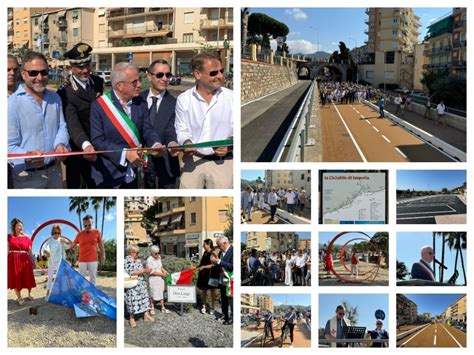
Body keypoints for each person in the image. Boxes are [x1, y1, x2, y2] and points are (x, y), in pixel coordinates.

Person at [90, 62, 165, 188]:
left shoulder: (140, 102)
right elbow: (98, 140)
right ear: (120, 86)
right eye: (134, 82)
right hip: (109, 173)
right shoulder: (99, 106)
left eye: (139, 80)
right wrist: (125, 154)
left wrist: (156, 144)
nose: (140, 85)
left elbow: (147, 129)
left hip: (136, 171)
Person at [8, 51, 70, 188]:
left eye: (44, 72)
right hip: (27, 177)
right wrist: (27, 156)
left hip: (55, 172)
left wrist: (60, 144)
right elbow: (9, 145)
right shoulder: (11, 104)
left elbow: (62, 127)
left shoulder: (55, 98)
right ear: (23, 74)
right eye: (33, 73)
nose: (40, 77)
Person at [175, 52, 233, 189]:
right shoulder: (183, 99)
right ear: (197, 74)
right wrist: (186, 142)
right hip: (192, 161)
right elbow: (181, 129)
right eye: (214, 73)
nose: (220, 76)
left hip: (223, 164)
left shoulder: (232, 98)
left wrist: (229, 145)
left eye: (221, 71)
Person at [57, 43, 104, 188]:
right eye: (79, 66)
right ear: (71, 67)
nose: (85, 70)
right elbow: (72, 123)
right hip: (78, 150)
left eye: (87, 65)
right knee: (77, 187)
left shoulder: (97, 82)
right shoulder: (65, 92)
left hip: (98, 147)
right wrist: (86, 144)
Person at [141, 59, 180, 188]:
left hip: (166, 162)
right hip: (140, 163)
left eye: (168, 75)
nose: (165, 79)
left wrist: (172, 143)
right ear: (149, 76)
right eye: (160, 75)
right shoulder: (137, 99)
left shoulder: (175, 103)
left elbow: (171, 129)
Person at [8, 218, 36, 306]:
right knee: (16, 277)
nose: (20, 227)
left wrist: (33, 260)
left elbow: (30, 250)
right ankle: (19, 297)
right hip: (13, 259)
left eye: (21, 226)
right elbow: (7, 249)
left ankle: (29, 293)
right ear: (14, 227)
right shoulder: (9, 237)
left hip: (25, 258)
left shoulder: (27, 238)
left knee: (28, 276)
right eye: (18, 225)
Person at [124, 244, 154, 327]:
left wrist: (145, 270)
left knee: (144, 299)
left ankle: (146, 314)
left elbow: (140, 270)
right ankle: (132, 318)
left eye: (138, 253)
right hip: (131, 284)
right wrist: (144, 270)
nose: (137, 254)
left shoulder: (138, 260)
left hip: (140, 283)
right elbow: (131, 272)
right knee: (132, 301)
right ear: (131, 252)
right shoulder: (126, 260)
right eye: (136, 253)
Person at [70, 215, 105, 285]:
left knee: (93, 278)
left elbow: (101, 244)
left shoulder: (97, 232)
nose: (87, 227)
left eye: (89, 225)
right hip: (82, 260)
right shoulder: (79, 234)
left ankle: (92, 294)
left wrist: (103, 255)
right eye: (85, 226)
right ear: (83, 225)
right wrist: (63, 243)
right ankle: (82, 294)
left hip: (93, 260)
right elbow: (72, 244)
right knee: (81, 278)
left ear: (92, 223)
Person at [43, 224, 71, 297]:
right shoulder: (50, 240)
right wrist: (47, 252)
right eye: (55, 232)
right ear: (52, 233)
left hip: (59, 261)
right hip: (51, 261)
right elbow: (45, 248)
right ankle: (48, 291)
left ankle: (61, 291)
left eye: (58, 233)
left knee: (60, 276)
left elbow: (68, 246)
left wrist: (66, 241)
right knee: (50, 276)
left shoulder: (61, 240)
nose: (57, 234)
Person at [210, 236, 233, 325]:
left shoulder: (233, 251)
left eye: (219, 245)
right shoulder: (221, 252)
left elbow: (232, 266)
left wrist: (219, 261)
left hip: (231, 280)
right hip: (222, 280)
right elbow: (220, 265)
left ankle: (232, 319)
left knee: (231, 300)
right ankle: (225, 315)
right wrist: (214, 262)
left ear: (225, 243)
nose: (219, 247)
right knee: (224, 299)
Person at [8, 54, 20, 189]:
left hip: (22, 160)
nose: (12, 73)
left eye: (15, 70)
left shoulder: (29, 93)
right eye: (7, 70)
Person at [196, 239, 219, 315]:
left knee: (212, 291)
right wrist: (197, 267)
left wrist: (204, 267)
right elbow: (202, 263)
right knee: (204, 291)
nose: (203, 245)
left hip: (211, 274)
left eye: (204, 244)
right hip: (204, 275)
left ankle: (212, 306)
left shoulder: (212, 253)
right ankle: (204, 305)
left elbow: (214, 264)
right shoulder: (205, 252)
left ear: (208, 245)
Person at [146, 245, 170, 315]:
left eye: (158, 253)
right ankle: (152, 307)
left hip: (160, 278)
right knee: (153, 293)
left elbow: (161, 266)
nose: (157, 255)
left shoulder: (159, 257)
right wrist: (162, 274)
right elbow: (151, 271)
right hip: (153, 278)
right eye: (155, 253)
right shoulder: (149, 260)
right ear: (151, 253)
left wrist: (165, 271)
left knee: (161, 292)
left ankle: (163, 307)